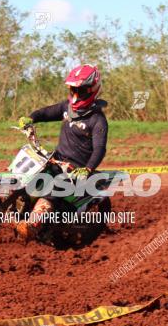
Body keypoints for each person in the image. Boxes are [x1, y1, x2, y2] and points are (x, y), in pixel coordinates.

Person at [13, 64, 109, 240]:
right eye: (73, 89)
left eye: (81, 90)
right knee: (23, 179)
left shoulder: (97, 120)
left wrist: (87, 169)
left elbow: (100, 149)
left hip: (75, 169)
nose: (76, 94)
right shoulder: (67, 108)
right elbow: (47, 112)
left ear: (92, 90)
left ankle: (33, 226)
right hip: (56, 160)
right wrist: (31, 118)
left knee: (49, 195)